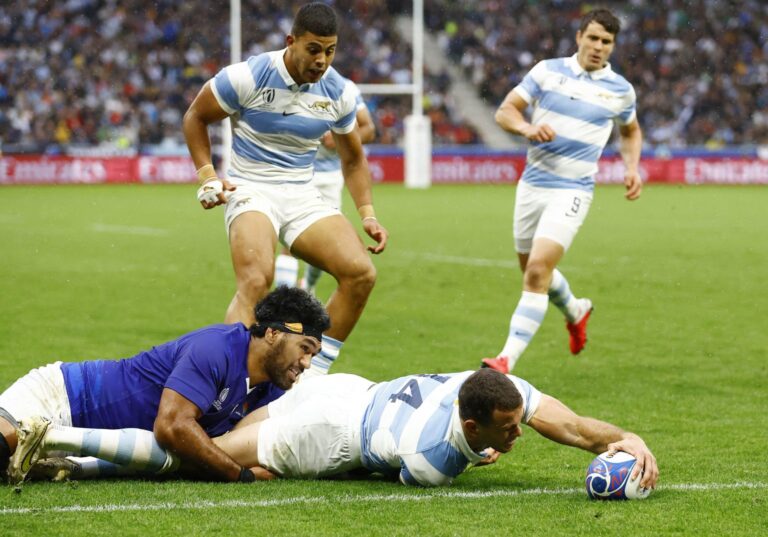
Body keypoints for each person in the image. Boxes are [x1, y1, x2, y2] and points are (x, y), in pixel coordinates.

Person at [17, 369, 658, 491]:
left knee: (204, 443)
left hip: (344, 387)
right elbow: (394, 469)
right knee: (194, 456)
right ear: (470, 423)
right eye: (507, 431)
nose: (520, 434)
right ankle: (59, 441)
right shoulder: (436, 456)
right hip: (327, 434)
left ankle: (62, 460)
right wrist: (474, 453)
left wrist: (626, 439)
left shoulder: (487, 386)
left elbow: (569, 426)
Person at [183, 2, 388, 377]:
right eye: (313, 49)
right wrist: (208, 176)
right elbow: (196, 116)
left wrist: (368, 215)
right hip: (251, 188)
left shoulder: (338, 92)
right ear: (291, 42)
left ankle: (309, 378)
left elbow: (354, 160)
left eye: (330, 50)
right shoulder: (249, 76)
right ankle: (230, 384)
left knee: (361, 273)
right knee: (257, 279)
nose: (322, 60)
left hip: (301, 193)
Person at [1, 286, 330, 485]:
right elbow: (171, 427)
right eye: (304, 348)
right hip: (62, 396)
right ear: (272, 333)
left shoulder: (270, 388)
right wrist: (239, 475)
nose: (306, 363)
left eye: (313, 354)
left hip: (86, 446)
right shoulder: (217, 348)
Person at [482, 8, 643, 373]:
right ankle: (575, 309)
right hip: (532, 185)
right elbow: (505, 111)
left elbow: (631, 131)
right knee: (532, 271)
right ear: (579, 37)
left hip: (573, 189)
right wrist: (526, 129)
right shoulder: (547, 71)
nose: (599, 47)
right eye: (593, 38)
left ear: (612, 47)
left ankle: (505, 360)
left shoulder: (620, 90)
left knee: (538, 270)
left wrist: (632, 168)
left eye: (606, 42)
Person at [274, 76, 377, 298]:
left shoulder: (343, 87)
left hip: (329, 177)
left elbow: (368, 129)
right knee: (290, 243)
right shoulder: (283, 84)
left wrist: (342, 138)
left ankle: (307, 287)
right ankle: (284, 303)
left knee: (324, 246)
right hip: (293, 171)